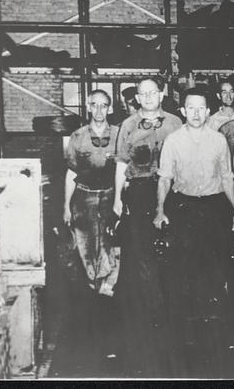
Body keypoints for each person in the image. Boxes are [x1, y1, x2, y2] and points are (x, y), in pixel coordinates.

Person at [154, 87, 234, 333]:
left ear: (208, 111)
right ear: (182, 111)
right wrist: (160, 210)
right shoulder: (173, 140)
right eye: (190, 107)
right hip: (185, 208)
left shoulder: (219, 140)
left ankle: (214, 317)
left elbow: (227, 177)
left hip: (215, 207)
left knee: (216, 261)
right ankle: (187, 319)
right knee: (185, 263)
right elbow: (164, 179)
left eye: (200, 108)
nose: (195, 113)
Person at [111, 76, 182, 376]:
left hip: (175, 191)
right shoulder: (127, 126)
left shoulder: (176, 122)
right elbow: (121, 165)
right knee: (142, 254)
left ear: (162, 94)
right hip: (140, 193)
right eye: (144, 94)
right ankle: (153, 312)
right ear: (137, 99)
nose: (149, 97)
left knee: (175, 250)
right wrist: (117, 199)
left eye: (154, 92)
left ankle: (174, 307)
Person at [63, 89, 121, 297]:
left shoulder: (118, 134)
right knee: (85, 243)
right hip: (84, 197)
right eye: (94, 105)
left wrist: (120, 200)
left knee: (110, 241)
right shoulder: (77, 136)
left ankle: (108, 283)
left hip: (109, 195)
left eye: (103, 105)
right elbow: (71, 172)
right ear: (88, 107)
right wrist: (66, 206)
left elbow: (124, 170)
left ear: (110, 108)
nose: (98, 110)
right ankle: (91, 284)